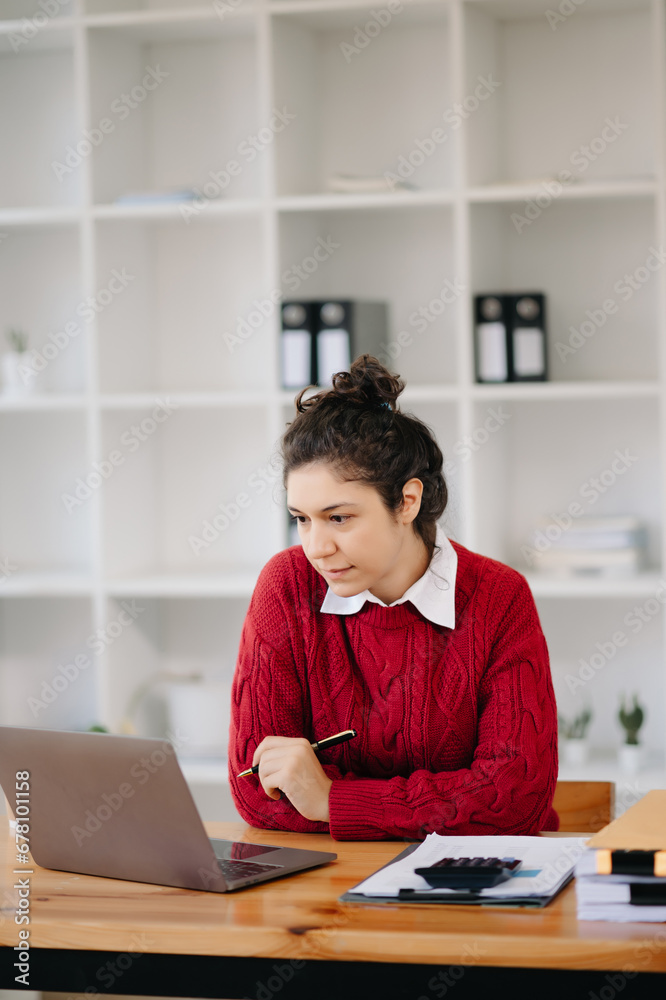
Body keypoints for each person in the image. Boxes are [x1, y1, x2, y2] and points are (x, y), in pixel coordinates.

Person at [228, 355, 559, 841]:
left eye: (338, 518)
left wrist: (331, 800)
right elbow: (258, 790)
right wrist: (437, 802)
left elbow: (514, 800)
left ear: (408, 501)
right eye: (302, 518)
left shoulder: (498, 599)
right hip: (330, 886)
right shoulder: (287, 586)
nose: (316, 547)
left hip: (471, 886)